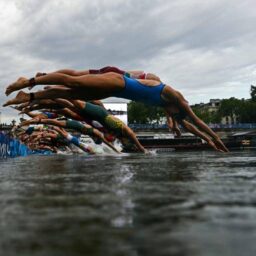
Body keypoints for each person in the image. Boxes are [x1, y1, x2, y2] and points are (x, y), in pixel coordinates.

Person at [4, 69, 228, 152]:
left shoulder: (171, 108)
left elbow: (188, 125)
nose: (178, 119)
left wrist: (207, 141)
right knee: (75, 84)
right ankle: (29, 82)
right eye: (177, 117)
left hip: (117, 89)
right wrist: (215, 137)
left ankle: (30, 96)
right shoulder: (174, 96)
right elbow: (197, 121)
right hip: (120, 83)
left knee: (71, 93)